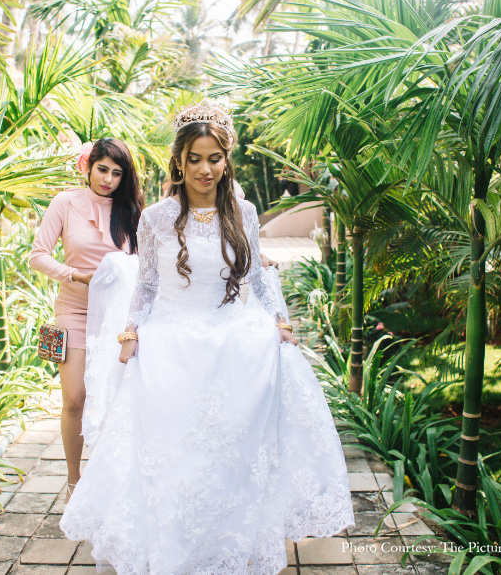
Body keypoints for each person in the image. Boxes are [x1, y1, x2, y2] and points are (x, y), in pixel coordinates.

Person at [59, 100, 354, 573]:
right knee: (176, 446)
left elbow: (256, 275)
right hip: (173, 339)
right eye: (194, 159)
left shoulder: (245, 211)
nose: (204, 169)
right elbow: (149, 283)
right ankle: (175, 539)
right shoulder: (155, 217)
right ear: (178, 161)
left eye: (213, 158)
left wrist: (281, 322)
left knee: (234, 445)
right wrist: (131, 330)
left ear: (226, 160)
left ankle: (231, 536)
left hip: (236, 335)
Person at [28, 137, 143, 502]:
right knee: (75, 398)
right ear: (88, 167)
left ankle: (118, 478)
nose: (108, 179)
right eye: (102, 169)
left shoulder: (134, 210)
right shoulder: (65, 202)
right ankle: (75, 480)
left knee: (119, 397)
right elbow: (37, 255)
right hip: (74, 310)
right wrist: (77, 276)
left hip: (118, 316)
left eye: (117, 173)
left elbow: (147, 265)